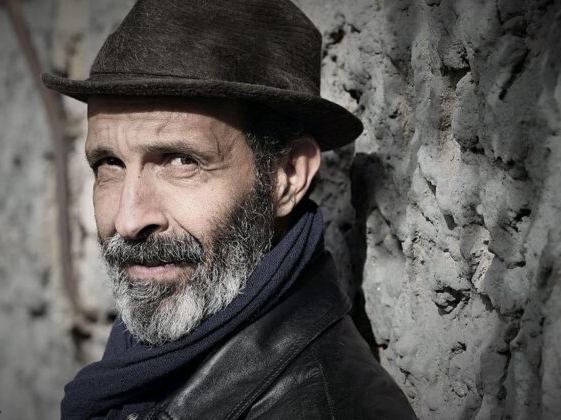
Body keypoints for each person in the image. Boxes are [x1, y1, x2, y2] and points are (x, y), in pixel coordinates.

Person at [43, 0, 417, 419]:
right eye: (109, 163)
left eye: (181, 161)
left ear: (288, 175)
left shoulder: (324, 407)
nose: (128, 220)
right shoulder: (145, 363)